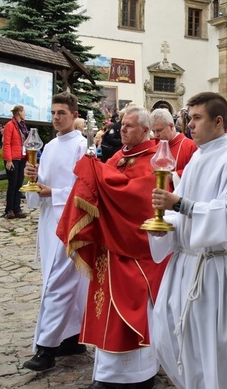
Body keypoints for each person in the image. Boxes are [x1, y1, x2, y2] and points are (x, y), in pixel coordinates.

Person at [149, 92, 227, 389]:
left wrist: (180, 205)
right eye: (189, 117)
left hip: (214, 269)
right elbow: (182, 211)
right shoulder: (198, 157)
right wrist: (165, 226)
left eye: (197, 118)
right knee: (174, 333)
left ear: (219, 121)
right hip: (186, 262)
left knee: (213, 345)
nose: (190, 125)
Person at [57, 106, 168, 388]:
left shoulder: (153, 161)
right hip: (110, 247)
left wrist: (99, 177)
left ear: (145, 130)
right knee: (103, 308)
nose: (123, 130)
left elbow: (136, 198)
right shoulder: (119, 157)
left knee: (128, 310)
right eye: (122, 125)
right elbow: (106, 189)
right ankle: (106, 374)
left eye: (130, 126)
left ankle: (138, 375)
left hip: (134, 253)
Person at [21, 92, 89, 372]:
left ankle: (45, 348)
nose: (56, 118)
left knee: (56, 283)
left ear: (74, 116)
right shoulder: (47, 147)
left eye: (62, 112)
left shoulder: (81, 146)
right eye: (53, 113)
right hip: (50, 222)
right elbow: (40, 187)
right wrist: (32, 179)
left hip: (70, 223)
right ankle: (72, 338)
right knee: (62, 281)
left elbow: (85, 188)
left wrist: (54, 192)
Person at [150, 108, 198, 179]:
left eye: (159, 130)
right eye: (153, 131)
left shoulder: (191, 146)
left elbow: (196, 173)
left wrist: (173, 176)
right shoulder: (154, 146)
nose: (156, 135)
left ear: (171, 126)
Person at [2, 105, 28, 219]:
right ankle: (9, 209)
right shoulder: (10, 125)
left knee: (19, 184)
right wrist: (8, 160)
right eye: (23, 112)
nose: (25, 114)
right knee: (12, 184)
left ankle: (17, 208)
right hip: (13, 159)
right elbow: (6, 143)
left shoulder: (22, 126)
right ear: (19, 112)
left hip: (21, 158)